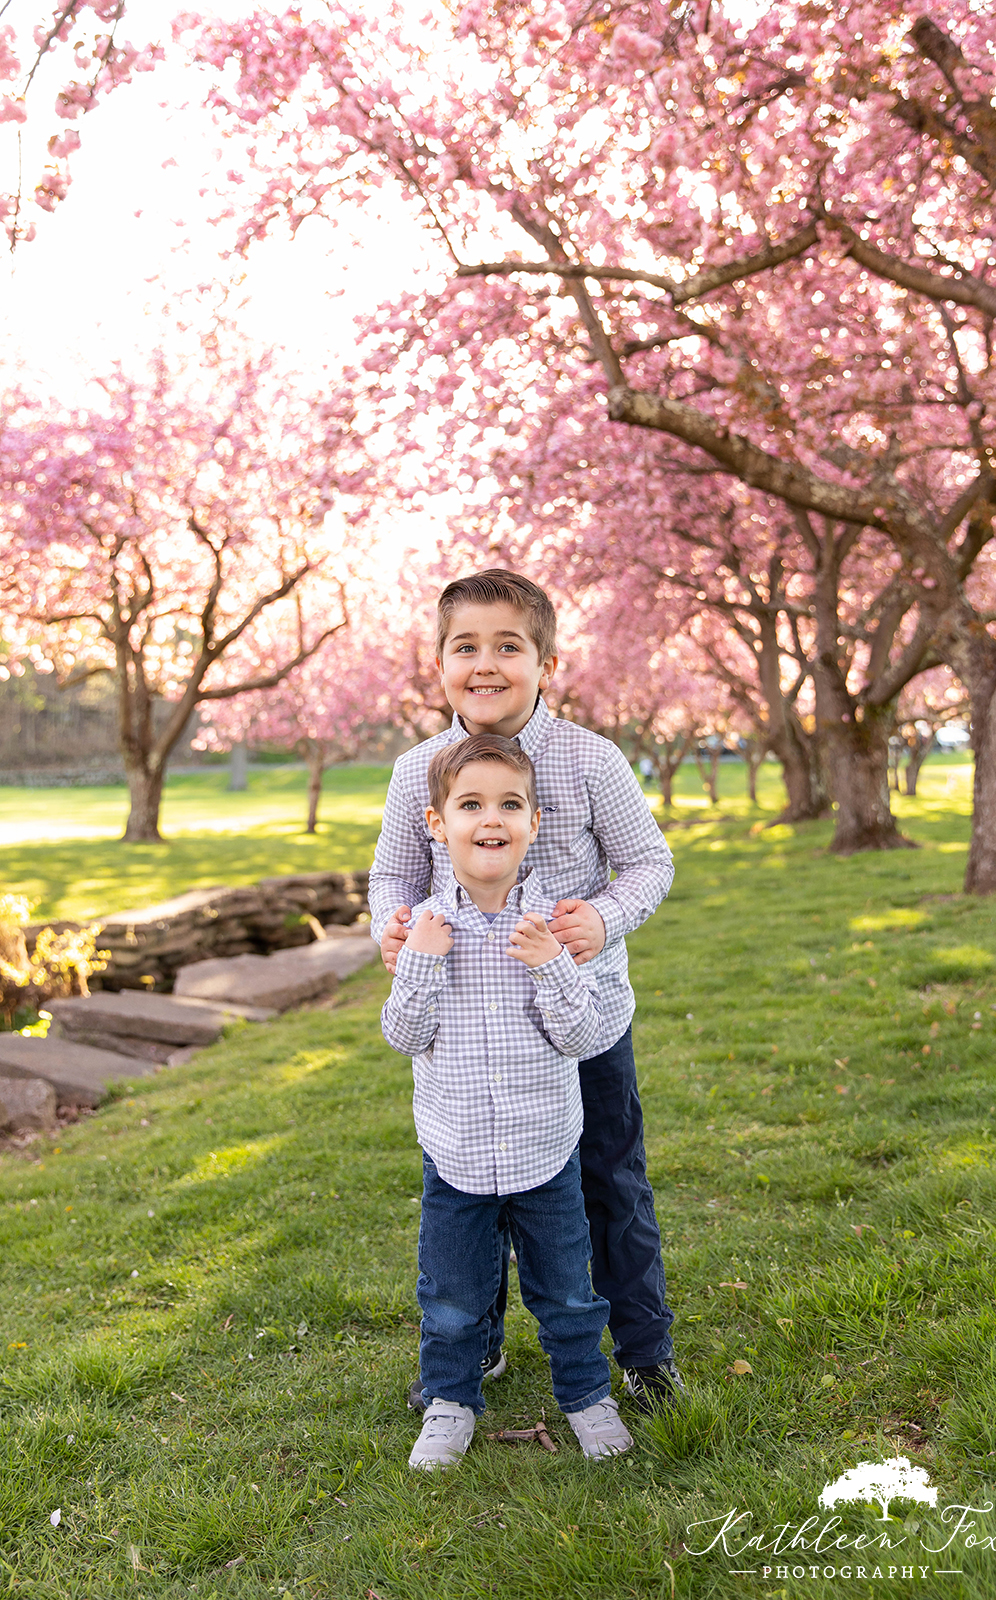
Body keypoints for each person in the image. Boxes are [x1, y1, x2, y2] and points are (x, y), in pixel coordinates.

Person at [370, 569, 683, 1412]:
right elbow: (391, 878)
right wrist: (390, 931)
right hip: (467, 1030)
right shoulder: (418, 772)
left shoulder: (588, 759)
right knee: (473, 1189)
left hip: (577, 1014)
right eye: (464, 646)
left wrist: (605, 918)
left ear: (545, 661)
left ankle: (642, 1352)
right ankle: (471, 1350)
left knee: (607, 1179)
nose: (485, 663)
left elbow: (649, 862)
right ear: (438, 663)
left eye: (508, 646)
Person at [382, 734, 634, 1468]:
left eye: (509, 805)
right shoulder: (424, 928)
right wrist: (422, 965)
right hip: (454, 1154)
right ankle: (450, 1402)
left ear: (533, 824)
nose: (489, 819)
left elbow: (585, 1037)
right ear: (437, 824)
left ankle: (587, 1398)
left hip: (543, 1150)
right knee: (452, 1299)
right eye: (470, 805)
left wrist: (554, 967)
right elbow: (403, 1033)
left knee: (566, 1297)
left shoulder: (549, 926)